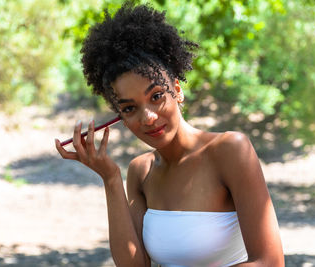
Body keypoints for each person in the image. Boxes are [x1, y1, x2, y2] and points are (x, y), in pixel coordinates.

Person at [55, 2, 284, 266]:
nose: (148, 117)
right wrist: (110, 178)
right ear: (120, 118)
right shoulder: (141, 172)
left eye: (156, 96)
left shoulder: (230, 150)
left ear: (177, 89)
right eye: (130, 108)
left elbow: (270, 261)